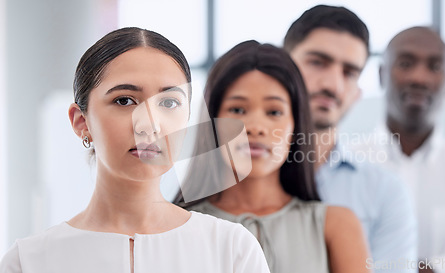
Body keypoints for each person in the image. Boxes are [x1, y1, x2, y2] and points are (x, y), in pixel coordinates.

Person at [0, 27, 270, 273]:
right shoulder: (28, 261)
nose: (150, 124)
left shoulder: (233, 250)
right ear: (81, 121)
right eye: (125, 100)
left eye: (169, 103)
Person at [174, 40, 370, 273]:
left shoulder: (336, 225)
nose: (256, 127)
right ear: (212, 123)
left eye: (274, 112)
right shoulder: (173, 226)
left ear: (296, 127)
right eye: (237, 110)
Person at [283, 5, 417, 272]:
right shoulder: (237, 179)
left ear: (358, 91)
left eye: (349, 72)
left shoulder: (385, 193)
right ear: (281, 65)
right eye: (317, 62)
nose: (333, 84)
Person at [356, 26, 445, 273]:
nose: (419, 78)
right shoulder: (345, 165)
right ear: (381, 75)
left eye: (434, 67)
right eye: (405, 63)